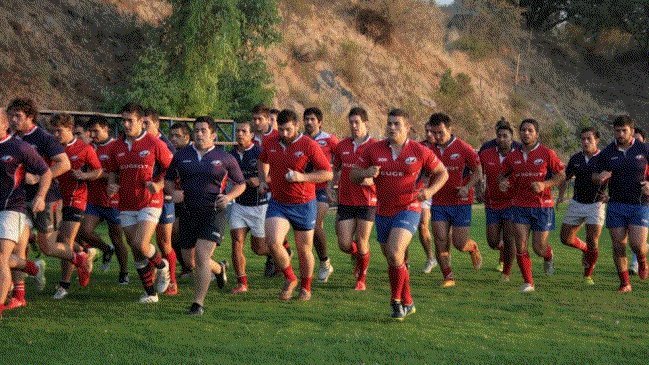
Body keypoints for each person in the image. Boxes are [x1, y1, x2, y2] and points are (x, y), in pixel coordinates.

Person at [352, 109, 448, 321]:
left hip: (409, 208)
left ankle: (396, 303)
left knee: (395, 252)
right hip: (384, 210)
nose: (392, 128)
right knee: (393, 258)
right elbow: (353, 175)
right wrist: (366, 173)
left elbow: (443, 172)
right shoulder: (374, 150)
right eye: (389, 124)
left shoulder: (419, 150)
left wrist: (430, 191)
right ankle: (408, 301)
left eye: (397, 124)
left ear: (407, 127)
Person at [7, 98, 90, 305]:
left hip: (47, 198)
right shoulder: (13, 136)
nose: (14, 120)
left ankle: (78, 258)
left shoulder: (43, 137)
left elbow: (64, 163)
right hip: (19, 199)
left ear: (30, 117)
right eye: (12, 116)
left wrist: (40, 177)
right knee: (18, 245)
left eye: (18, 116)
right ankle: (19, 296)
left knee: (47, 247)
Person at [166, 116, 245, 315]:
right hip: (186, 212)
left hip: (213, 212)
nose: (199, 134)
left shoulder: (225, 158)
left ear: (214, 135)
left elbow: (241, 184)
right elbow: (167, 180)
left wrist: (228, 197)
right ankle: (219, 269)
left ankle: (198, 304)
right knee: (191, 262)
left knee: (201, 255)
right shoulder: (181, 155)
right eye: (197, 130)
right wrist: (172, 193)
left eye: (203, 130)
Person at [258, 109, 333, 301]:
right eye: (281, 129)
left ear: (297, 126)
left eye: (288, 130)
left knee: (304, 249)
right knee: (273, 242)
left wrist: (302, 177)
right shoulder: (271, 142)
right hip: (279, 202)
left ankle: (306, 288)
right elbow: (263, 161)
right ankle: (290, 278)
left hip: (304, 203)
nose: (284, 134)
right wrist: (263, 180)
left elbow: (327, 173)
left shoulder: (308, 145)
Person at [107, 102, 172, 303]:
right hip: (126, 202)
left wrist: (160, 185)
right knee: (136, 250)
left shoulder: (155, 143)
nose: (126, 124)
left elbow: (172, 169)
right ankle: (151, 294)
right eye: (123, 120)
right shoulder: (116, 146)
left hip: (150, 200)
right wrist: (111, 185)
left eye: (130, 120)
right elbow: (112, 171)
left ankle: (162, 267)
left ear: (141, 122)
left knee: (140, 244)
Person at [499, 119, 565, 292]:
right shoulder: (512, 156)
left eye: (530, 130)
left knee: (539, 248)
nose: (526, 133)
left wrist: (544, 185)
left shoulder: (547, 153)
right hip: (519, 205)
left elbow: (561, 175)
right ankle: (529, 282)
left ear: (537, 134)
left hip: (542, 206)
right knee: (520, 244)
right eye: (523, 130)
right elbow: (501, 175)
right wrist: (502, 183)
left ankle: (548, 255)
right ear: (519, 133)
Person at [0, 109, 50, 317]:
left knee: (1, 259)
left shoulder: (19, 147)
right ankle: (34, 267)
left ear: (4, 125)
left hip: (12, 209)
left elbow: (45, 171)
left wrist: (40, 196)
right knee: (6, 259)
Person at [50, 114, 103, 299]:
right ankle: (83, 253)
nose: (56, 134)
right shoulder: (51, 147)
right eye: (53, 130)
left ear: (70, 129)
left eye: (59, 131)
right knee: (51, 238)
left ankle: (64, 285)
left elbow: (98, 170)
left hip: (76, 198)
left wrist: (84, 176)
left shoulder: (84, 148)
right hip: (55, 198)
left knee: (64, 240)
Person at [594, 116, 649, 292]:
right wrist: (601, 176)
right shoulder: (607, 152)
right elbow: (595, 176)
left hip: (640, 204)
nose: (620, 134)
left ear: (631, 131)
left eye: (624, 130)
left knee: (637, 245)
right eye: (617, 131)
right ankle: (625, 283)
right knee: (618, 245)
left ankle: (641, 259)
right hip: (616, 204)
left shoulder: (643, 149)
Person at [427, 113, 483, 288]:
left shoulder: (464, 148)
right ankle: (448, 276)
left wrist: (467, 187)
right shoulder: (429, 149)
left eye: (440, 132)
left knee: (459, 243)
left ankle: (472, 247)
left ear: (450, 129)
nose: (437, 137)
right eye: (433, 133)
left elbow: (478, 171)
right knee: (440, 239)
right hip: (439, 203)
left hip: (461, 202)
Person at [330, 107, 376, 290]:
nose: (354, 126)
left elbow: (380, 173)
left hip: (367, 201)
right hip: (346, 199)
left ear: (366, 123)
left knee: (363, 240)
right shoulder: (342, 146)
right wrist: (329, 186)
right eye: (351, 122)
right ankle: (358, 255)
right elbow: (335, 168)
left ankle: (361, 280)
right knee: (344, 243)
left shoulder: (375, 146)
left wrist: (370, 180)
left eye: (357, 122)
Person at [80, 114, 130, 284]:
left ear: (106, 128)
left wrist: (99, 176)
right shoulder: (89, 147)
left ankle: (124, 272)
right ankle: (105, 249)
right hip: (94, 199)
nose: (93, 134)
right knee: (84, 231)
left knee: (117, 238)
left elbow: (124, 173)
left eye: (96, 131)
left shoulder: (117, 147)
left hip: (114, 201)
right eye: (91, 131)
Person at [556, 127, 605, 285]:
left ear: (596, 140)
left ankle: (587, 276)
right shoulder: (576, 158)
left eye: (588, 139)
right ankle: (584, 249)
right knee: (565, 238)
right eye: (583, 139)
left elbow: (615, 176)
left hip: (596, 204)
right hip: (577, 203)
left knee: (593, 240)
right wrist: (561, 196)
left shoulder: (604, 158)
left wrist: (611, 194)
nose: (585, 142)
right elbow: (565, 177)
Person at [228, 121, 271, 293]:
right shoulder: (230, 155)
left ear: (252, 135)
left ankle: (279, 252)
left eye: (243, 131)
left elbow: (276, 176)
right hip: (239, 205)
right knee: (236, 243)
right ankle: (242, 284)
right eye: (237, 131)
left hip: (259, 205)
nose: (239, 134)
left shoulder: (259, 152)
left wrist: (261, 181)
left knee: (258, 248)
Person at [142, 108, 178, 295]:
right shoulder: (139, 142)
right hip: (145, 198)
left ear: (156, 124)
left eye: (146, 123)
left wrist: (159, 184)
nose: (143, 126)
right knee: (144, 241)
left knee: (164, 243)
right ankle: (155, 273)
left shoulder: (165, 145)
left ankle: (171, 281)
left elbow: (173, 173)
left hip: (165, 199)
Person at [303, 107, 339, 282]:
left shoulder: (329, 140)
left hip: (321, 189)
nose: (309, 122)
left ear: (319, 122)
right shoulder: (299, 139)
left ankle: (324, 263)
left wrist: (333, 185)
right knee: (309, 230)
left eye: (312, 119)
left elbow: (341, 160)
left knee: (315, 225)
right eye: (306, 119)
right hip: (302, 189)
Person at [478, 120, 516, 281]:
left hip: (512, 203)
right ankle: (503, 251)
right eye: (499, 136)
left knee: (509, 238)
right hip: (492, 203)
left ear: (512, 138)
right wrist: (479, 189)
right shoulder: (486, 153)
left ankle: (506, 273)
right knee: (493, 242)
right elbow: (478, 172)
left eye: (505, 136)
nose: (502, 139)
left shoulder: (519, 153)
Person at [168, 122, 192, 277]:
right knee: (172, 234)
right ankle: (186, 267)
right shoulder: (174, 154)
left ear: (187, 137)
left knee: (193, 237)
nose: (173, 139)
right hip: (176, 199)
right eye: (172, 136)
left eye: (178, 136)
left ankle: (210, 267)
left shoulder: (194, 153)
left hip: (193, 201)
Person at [417, 122, 439, 273]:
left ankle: (444, 256)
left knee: (443, 230)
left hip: (441, 191)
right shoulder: (419, 147)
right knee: (423, 224)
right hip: (425, 191)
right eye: (427, 131)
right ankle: (431, 258)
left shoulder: (443, 147)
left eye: (432, 131)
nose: (429, 134)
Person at [629, 127, 646, 275]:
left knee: (639, 242)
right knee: (636, 242)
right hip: (638, 204)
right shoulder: (628, 159)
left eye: (638, 140)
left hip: (645, 203)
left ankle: (637, 262)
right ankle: (636, 263)